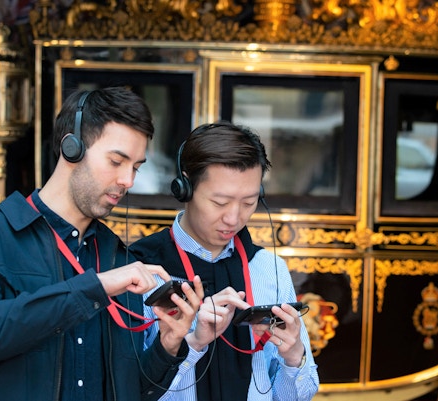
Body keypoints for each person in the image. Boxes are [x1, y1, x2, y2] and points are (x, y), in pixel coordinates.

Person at [0, 87, 204, 401]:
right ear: (72, 148)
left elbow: (131, 391)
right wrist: (94, 287)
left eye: (135, 167)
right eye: (116, 161)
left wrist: (168, 344)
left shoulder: (117, 256)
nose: (128, 181)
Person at [130, 121, 320, 400]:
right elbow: (129, 390)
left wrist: (294, 356)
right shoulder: (142, 269)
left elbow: (296, 396)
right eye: (220, 203)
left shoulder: (268, 269)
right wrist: (192, 344)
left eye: (249, 202)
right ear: (185, 187)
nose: (234, 218)